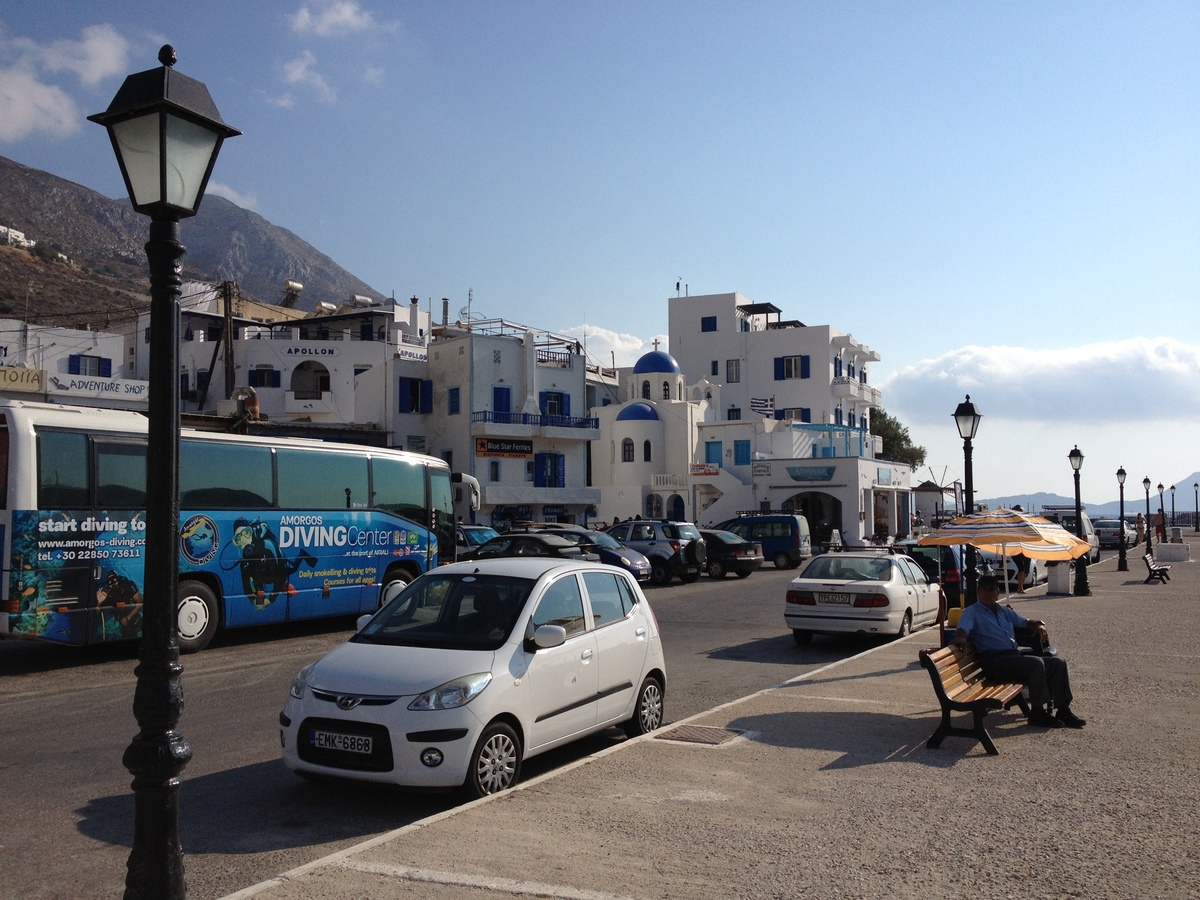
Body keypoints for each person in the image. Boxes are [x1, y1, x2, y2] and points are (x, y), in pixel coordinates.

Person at [953, 575, 1085, 729]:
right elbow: (962, 629)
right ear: (978, 591)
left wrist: (1039, 625)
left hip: (1011, 658)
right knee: (1035, 663)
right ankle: (1037, 713)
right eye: (984, 589)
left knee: (1058, 664)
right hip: (994, 662)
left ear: (997, 593)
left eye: (992, 590)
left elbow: (1025, 622)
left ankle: (1064, 711)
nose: (987, 593)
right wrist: (961, 639)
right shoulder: (972, 612)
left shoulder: (1003, 611)